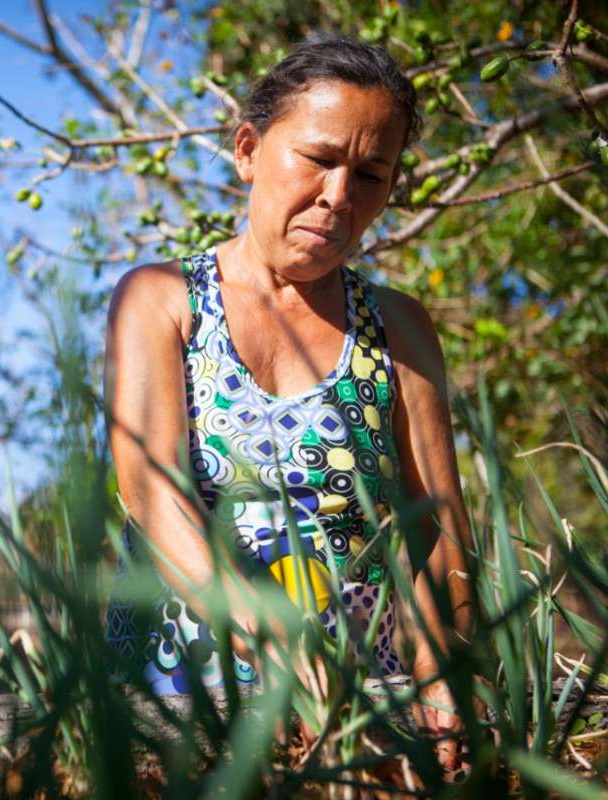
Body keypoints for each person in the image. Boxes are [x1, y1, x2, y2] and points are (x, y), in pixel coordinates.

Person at [102, 36, 473, 770]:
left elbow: (438, 527)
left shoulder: (397, 327)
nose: (339, 196)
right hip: (178, 694)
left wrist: (440, 678)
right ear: (247, 149)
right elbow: (150, 490)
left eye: (371, 174)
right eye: (319, 159)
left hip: (357, 698)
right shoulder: (162, 302)